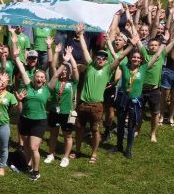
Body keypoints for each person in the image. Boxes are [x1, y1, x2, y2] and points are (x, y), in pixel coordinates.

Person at [74, 25, 131, 164]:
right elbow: (85, 50)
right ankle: (77, 151)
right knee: (80, 129)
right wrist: (81, 35)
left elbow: (120, 57)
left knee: (95, 131)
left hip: (96, 106)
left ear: (106, 61)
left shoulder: (107, 70)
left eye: (103, 58)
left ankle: (93, 154)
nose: (100, 59)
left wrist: (131, 46)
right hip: (82, 104)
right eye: (98, 57)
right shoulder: (90, 65)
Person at [12, 34, 55, 181]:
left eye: (42, 77)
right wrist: (17, 57)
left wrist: (49, 47)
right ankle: (28, 165)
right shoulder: (29, 82)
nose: (39, 78)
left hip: (38, 119)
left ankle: (36, 172)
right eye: (38, 76)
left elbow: (50, 63)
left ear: (44, 79)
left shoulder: (46, 86)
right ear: (34, 77)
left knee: (33, 147)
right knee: (25, 145)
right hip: (24, 115)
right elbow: (23, 71)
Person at [43, 46, 79, 167]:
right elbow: (53, 66)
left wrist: (70, 57)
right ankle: (51, 154)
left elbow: (74, 68)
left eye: (66, 70)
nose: (63, 71)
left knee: (67, 135)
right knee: (53, 133)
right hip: (54, 111)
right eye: (62, 69)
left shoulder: (73, 82)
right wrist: (56, 52)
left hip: (69, 113)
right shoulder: (55, 81)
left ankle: (65, 157)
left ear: (69, 72)